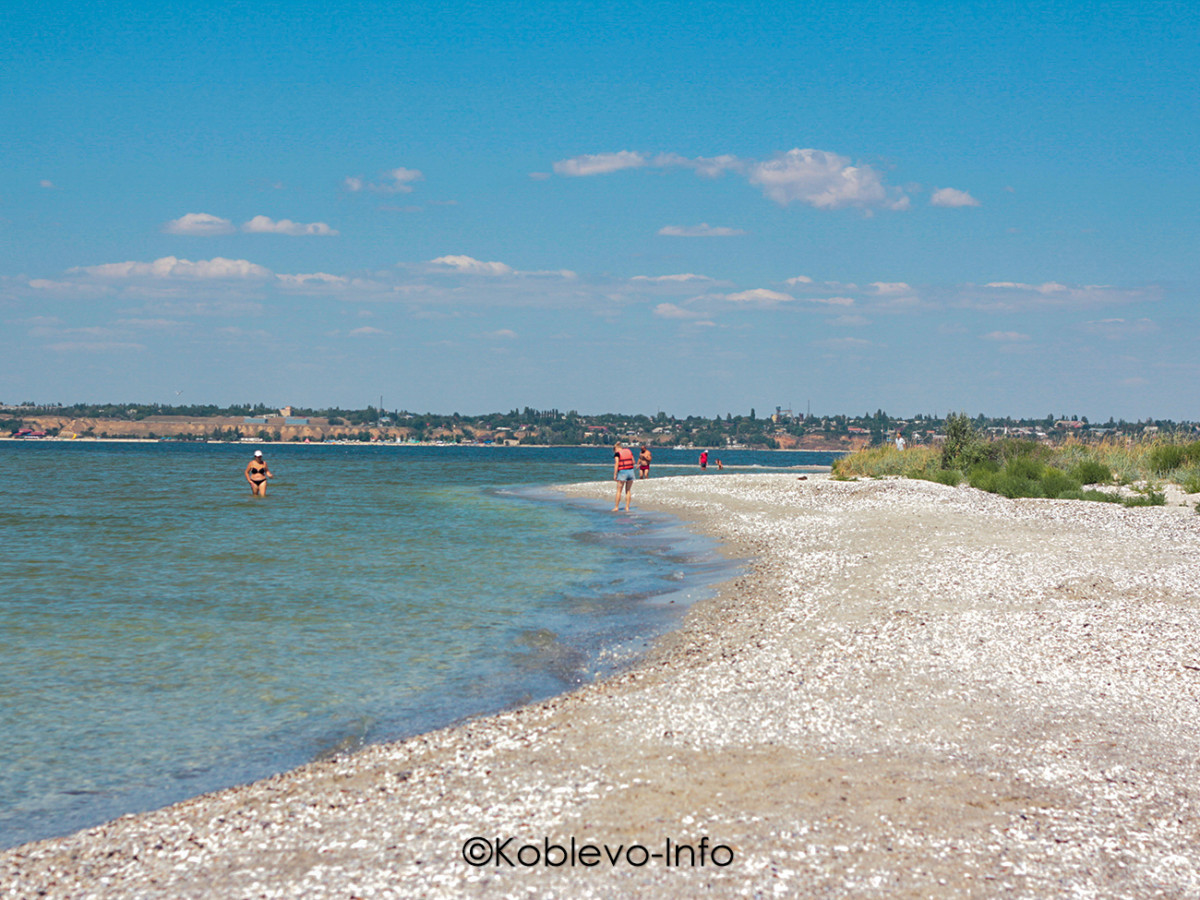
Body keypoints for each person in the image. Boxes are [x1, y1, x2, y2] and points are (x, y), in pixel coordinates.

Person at [612, 442, 635, 511]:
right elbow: (633, 462)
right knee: (628, 490)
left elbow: (617, 464)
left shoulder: (617, 454)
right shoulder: (629, 451)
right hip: (630, 472)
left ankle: (616, 507)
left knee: (619, 490)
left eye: (614, 450)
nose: (614, 451)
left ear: (616, 448)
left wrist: (615, 474)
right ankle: (627, 507)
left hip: (622, 472)